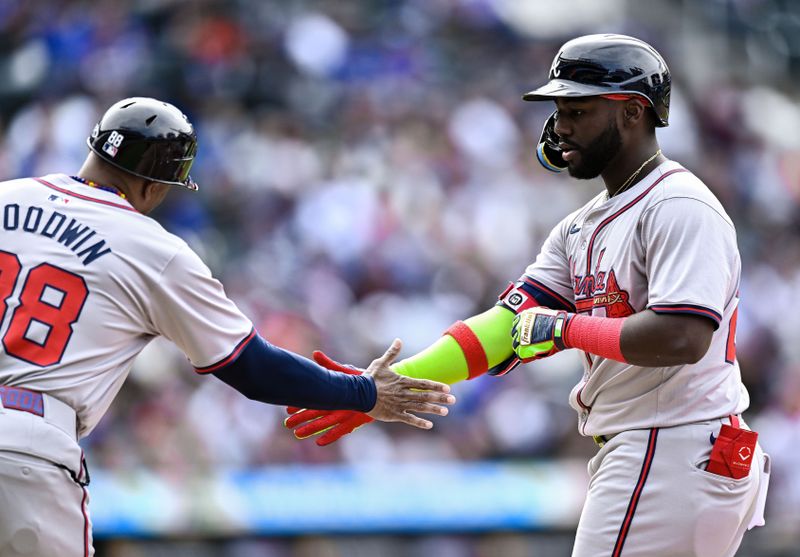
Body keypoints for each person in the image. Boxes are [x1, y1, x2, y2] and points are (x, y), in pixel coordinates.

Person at [285, 34, 770, 557]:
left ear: (633, 112)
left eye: (578, 109)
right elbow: (505, 327)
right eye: (559, 109)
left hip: (671, 443)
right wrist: (379, 389)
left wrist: (564, 330)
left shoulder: (677, 204)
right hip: (661, 449)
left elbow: (681, 335)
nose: (560, 126)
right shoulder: (579, 227)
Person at [0, 97, 456, 557]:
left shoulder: (6, 196)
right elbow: (251, 367)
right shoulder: (152, 249)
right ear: (155, 185)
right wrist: (365, 392)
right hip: (27, 450)